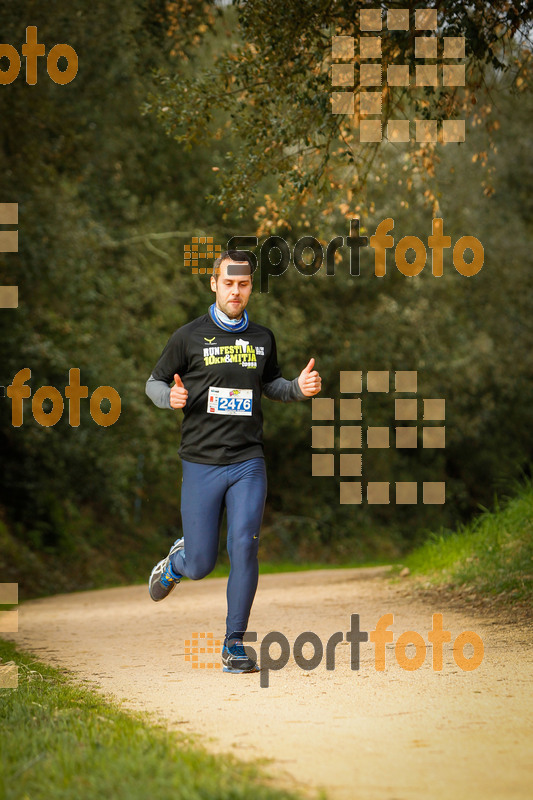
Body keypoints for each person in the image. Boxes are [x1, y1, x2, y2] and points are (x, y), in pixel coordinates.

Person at [145, 250, 321, 673]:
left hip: (247, 460)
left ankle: (234, 643)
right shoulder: (187, 337)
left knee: (244, 545)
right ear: (214, 284)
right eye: (229, 283)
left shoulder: (263, 337)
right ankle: (177, 562)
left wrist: (297, 387)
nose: (236, 291)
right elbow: (153, 381)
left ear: (250, 288)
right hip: (202, 463)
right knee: (202, 564)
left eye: (243, 285)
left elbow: (271, 384)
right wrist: (168, 397)